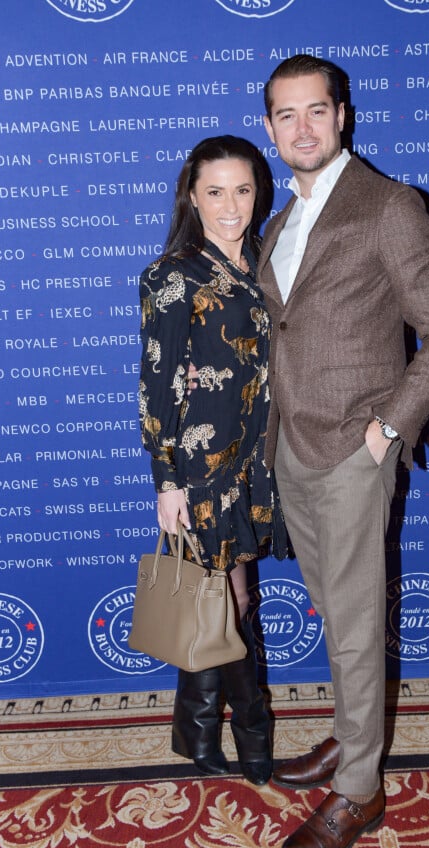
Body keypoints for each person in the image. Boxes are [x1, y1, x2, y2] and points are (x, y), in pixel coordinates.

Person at [258, 55, 429, 848]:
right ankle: (353, 739)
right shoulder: (280, 219)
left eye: (317, 111)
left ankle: (359, 792)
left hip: (353, 449)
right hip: (291, 448)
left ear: (342, 116)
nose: (302, 128)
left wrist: (384, 432)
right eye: (286, 115)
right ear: (271, 126)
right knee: (336, 613)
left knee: (351, 628)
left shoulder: (389, 206)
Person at [138, 135, 283, 787]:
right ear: (192, 196)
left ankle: (195, 725)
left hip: (265, 456)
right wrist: (165, 478)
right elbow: (156, 383)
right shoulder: (173, 274)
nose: (231, 205)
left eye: (244, 189)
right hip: (201, 466)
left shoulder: (273, 261)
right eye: (216, 191)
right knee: (224, 592)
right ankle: (253, 729)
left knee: (227, 596)